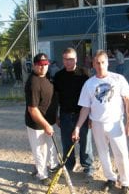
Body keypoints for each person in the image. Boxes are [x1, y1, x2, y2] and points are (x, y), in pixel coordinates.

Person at [72, 50, 129, 194]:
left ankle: (125, 182)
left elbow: (128, 101)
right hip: (97, 124)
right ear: (93, 64)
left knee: (121, 153)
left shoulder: (118, 79)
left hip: (115, 123)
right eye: (97, 63)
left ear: (107, 63)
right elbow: (85, 108)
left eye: (103, 62)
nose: (100, 66)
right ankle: (110, 178)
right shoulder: (89, 84)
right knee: (103, 153)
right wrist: (77, 127)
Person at [54, 47, 94, 177]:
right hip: (65, 115)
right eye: (65, 59)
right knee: (67, 142)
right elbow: (56, 98)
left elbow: (91, 97)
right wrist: (56, 116)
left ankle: (87, 166)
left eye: (70, 59)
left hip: (82, 114)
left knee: (85, 142)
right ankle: (69, 165)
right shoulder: (58, 76)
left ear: (76, 59)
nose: (68, 62)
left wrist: (91, 117)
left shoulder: (84, 74)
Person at [24, 53, 59, 186]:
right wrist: (45, 125)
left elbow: (50, 100)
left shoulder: (48, 77)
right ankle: (42, 174)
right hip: (36, 123)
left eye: (45, 64)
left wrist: (55, 118)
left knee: (51, 147)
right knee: (40, 150)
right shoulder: (33, 83)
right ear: (34, 65)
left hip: (48, 121)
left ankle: (51, 166)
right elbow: (32, 109)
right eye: (39, 64)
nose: (43, 67)